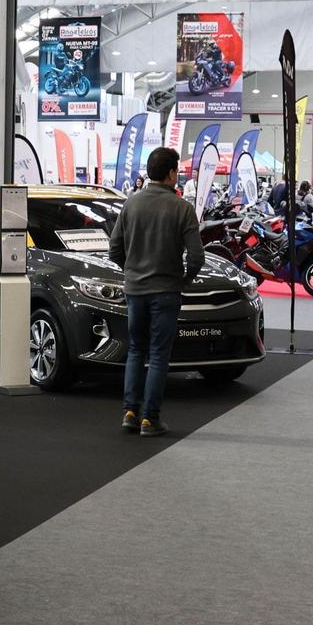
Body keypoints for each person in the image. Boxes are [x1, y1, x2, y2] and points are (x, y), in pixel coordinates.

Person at [108, 146, 203, 437]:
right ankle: (150, 419)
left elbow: (114, 249)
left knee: (135, 350)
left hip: (135, 290)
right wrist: (184, 280)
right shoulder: (182, 208)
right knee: (159, 355)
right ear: (172, 173)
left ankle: (129, 412)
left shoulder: (130, 204)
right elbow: (197, 257)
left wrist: (132, 271)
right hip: (166, 291)